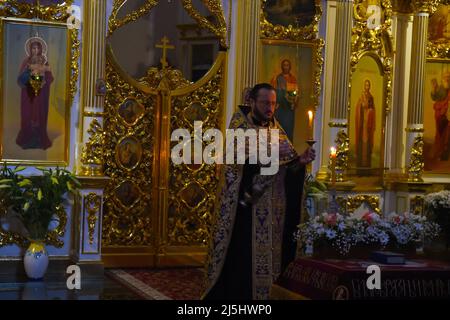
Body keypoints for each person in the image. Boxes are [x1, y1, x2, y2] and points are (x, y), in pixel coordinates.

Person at [202, 83, 315, 300]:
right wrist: (270, 152)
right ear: (252, 102)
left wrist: (300, 161)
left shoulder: (276, 129)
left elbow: (287, 169)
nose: (270, 108)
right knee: (243, 260)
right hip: (247, 211)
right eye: (265, 103)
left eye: (273, 103)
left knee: (274, 259)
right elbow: (237, 166)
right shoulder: (240, 127)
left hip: (275, 213)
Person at [16, 37, 53, 150]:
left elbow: (50, 77)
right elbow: (20, 79)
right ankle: (26, 140)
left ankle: (40, 140)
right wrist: (29, 72)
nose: (35, 50)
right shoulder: (26, 62)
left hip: (40, 95)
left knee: (39, 114)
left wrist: (44, 76)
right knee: (28, 114)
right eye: (33, 48)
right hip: (28, 94)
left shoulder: (45, 62)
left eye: (37, 48)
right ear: (30, 49)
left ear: (41, 49)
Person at [270, 59, 299, 140]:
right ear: (281, 66)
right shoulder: (276, 78)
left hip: (289, 110)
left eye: (287, 65)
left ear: (290, 67)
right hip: (279, 109)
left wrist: (293, 101)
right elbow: (272, 93)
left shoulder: (293, 79)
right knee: (278, 130)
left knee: (288, 131)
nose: (285, 67)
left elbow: (296, 94)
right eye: (284, 65)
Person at [355, 79, 375, 172]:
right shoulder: (361, 96)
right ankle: (360, 169)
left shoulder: (371, 97)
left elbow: (372, 109)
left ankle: (367, 168)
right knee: (361, 145)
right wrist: (361, 107)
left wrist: (370, 112)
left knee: (367, 145)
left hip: (368, 126)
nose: (367, 87)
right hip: (362, 125)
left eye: (368, 85)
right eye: (366, 85)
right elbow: (358, 107)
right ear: (364, 86)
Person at [430, 72, 450, 161]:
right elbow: (434, 97)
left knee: (447, 134)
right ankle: (440, 152)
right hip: (440, 114)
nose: (447, 79)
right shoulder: (440, 88)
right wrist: (434, 89)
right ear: (442, 79)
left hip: (447, 114)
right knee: (440, 133)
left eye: (448, 77)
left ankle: (444, 153)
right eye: (445, 77)